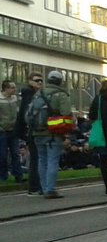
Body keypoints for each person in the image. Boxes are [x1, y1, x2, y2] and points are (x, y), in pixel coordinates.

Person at [28, 71, 72, 199]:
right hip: (53, 132)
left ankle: (44, 188)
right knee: (52, 160)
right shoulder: (61, 94)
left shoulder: (38, 93)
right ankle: (50, 189)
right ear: (60, 81)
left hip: (37, 132)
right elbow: (66, 112)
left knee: (42, 160)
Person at [15, 72, 43, 194]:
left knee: (36, 158)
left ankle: (34, 186)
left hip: (30, 131)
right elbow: (26, 115)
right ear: (30, 81)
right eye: (37, 80)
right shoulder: (29, 95)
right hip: (32, 131)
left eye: (41, 81)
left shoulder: (33, 94)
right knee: (37, 159)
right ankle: (35, 186)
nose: (40, 83)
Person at [0, 79, 23, 184]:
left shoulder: (14, 98)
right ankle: (3, 176)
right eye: (12, 87)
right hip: (3, 131)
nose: (15, 89)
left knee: (16, 153)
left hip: (13, 130)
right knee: (3, 155)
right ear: (6, 88)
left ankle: (18, 176)